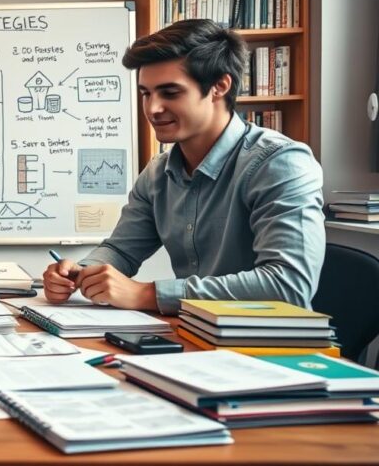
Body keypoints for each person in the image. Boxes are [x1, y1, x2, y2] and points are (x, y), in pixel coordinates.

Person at [43, 19, 324, 315]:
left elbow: (289, 285)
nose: (152, 109)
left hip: (267, 346)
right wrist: (78, 274)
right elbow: (121, 250)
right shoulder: (157, 174)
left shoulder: (281, 163)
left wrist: (147, 294)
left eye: (170, 92)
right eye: (146, 93)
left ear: (219, 86)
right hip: (192, 335)